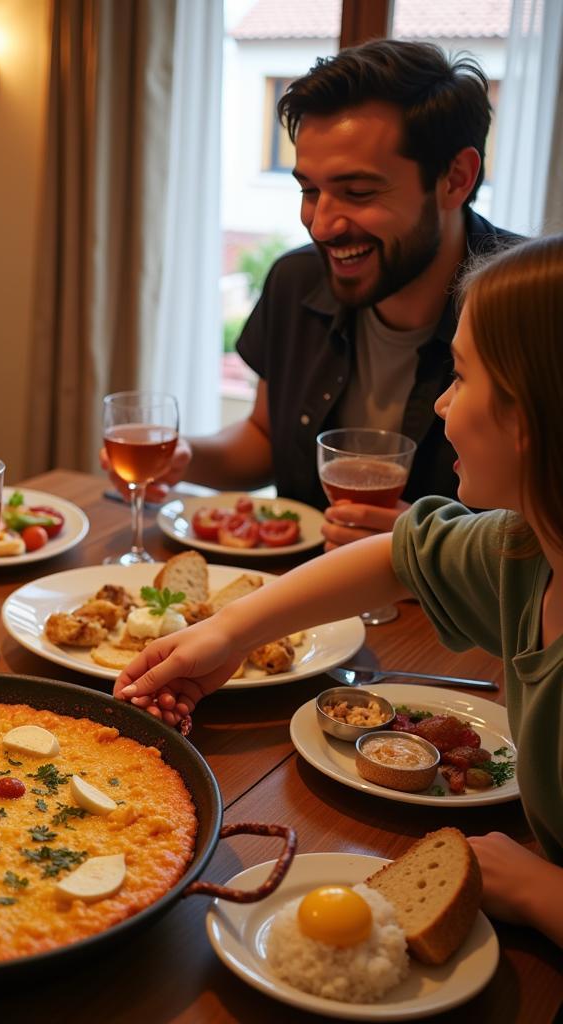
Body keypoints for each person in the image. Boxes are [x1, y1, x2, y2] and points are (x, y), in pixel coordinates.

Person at [114, 235, 563, 948]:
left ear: (534, 413)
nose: (444, 403)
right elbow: (396, 557)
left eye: (465, 376)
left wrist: (549, 894)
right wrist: (227, 634)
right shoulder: (526, 549)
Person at [111, 39, 517, 549]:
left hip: (458, 626)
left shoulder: (528, 306)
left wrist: (439, 550)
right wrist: (189, 454)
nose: (321, 225)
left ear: (455, 179)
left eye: (359, 192)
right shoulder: (296, 280)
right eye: (309, 190)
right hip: (302, 611)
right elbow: (265, 438)